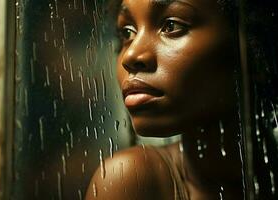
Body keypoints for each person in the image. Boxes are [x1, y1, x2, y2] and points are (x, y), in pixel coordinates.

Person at [85, 0, 278, 199]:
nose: (131, 55)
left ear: (256, 46)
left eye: (171, 26)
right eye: (127, 32)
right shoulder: (131, 181)